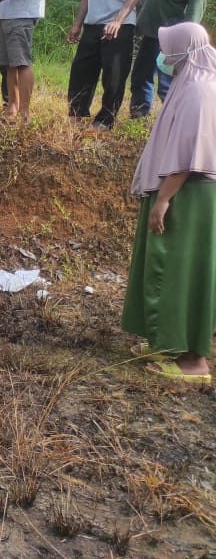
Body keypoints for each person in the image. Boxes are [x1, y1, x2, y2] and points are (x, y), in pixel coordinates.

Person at [122, 22, 216, 384]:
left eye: (169, 46)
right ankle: (168, 341)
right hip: (179, 190)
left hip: (187, 193)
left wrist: (163, 199)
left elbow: (189, 153)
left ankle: (193, 361)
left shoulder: (199, 91)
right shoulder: (190, 83)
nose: (164, 54)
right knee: (165, 266)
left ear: (185, 48)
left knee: (181, 272)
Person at [66, 0, 146, 129]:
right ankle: (77, 115)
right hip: (93, 24)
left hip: (119, 26)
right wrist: (77, 24)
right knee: (81, 71)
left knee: (114, 75)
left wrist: (118, 21)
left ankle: (105, 120)